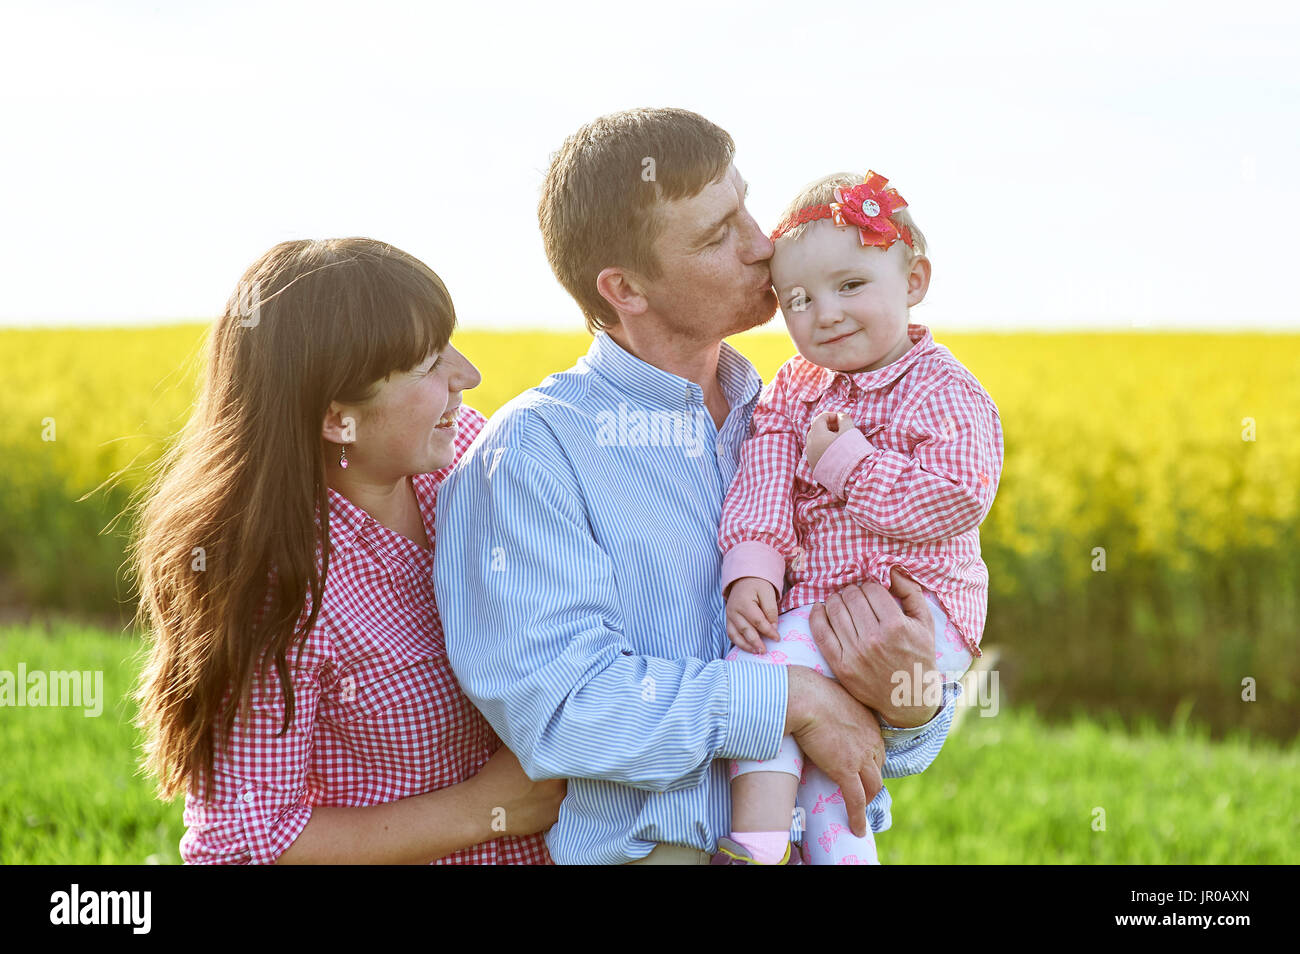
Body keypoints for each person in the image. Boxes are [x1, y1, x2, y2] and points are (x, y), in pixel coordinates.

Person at [435, 108, 964, 865]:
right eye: (718, 235)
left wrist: (910, 701)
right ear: (626, 288)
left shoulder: (805, 420)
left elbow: (897, 715)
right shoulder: (532, 454)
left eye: (747, 206)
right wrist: (789, 702)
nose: (763, 245)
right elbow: (563, 710)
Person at [132, 238, 563, 864]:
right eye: (428, 364)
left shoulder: (471, 457)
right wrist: (483, 810)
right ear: (339, 418)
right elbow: (245, 842)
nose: (467, 377)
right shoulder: (277, 584)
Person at [718, 171, 1004, 865]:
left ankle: (751, 849)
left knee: (761, 678)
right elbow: (765, 476)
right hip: (822, 603)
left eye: (850, 285)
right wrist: (751, 566)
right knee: (820, 754)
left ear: (914, 282)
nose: (825, 313)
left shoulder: (947, 390)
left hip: (916, 614)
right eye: (798, 300)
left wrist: (848, 464)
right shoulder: (795, 386)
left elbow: (958, 497)